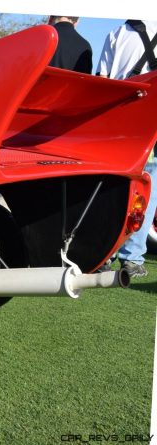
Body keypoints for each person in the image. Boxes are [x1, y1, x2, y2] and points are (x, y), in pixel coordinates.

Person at [97, 20, 157, 278]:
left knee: (112, 185)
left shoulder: (117, 33)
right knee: (148, 185)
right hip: (151, 117)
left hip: (119, 116)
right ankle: (132, 258)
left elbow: (102, 79)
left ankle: (103, 253)